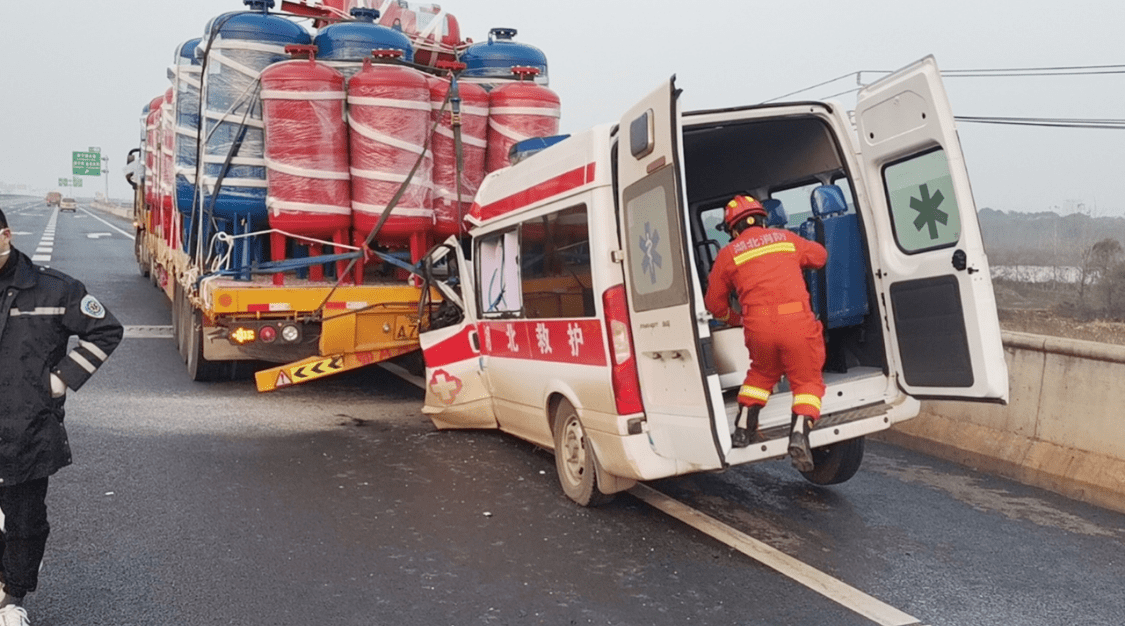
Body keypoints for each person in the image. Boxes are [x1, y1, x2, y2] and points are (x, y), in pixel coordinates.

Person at [0, 209, 123, 626]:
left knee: (25, 520)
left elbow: (106, 329)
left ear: (6, 237)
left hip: (27, 427)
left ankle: (12, 597)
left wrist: (61, 379)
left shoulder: (54, 290)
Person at [704, 195, 827, 471]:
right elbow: (820, 257)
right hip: (796, 322)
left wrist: (733, 318)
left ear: (733, 229)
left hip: (758, 327)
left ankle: (743, 426)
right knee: (807, 380)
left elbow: (713, 304)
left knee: (761, 374)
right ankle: (799, 433)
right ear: (763, 219)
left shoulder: (728, 254)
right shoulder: (785, 239)